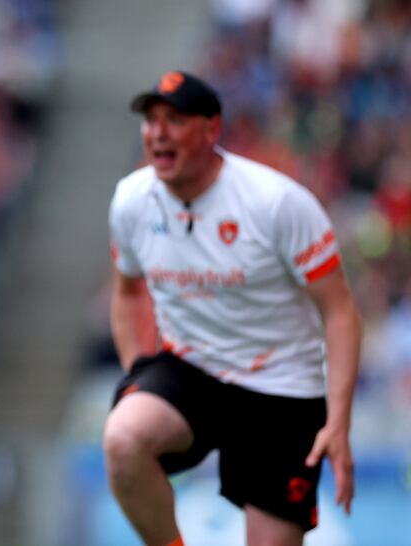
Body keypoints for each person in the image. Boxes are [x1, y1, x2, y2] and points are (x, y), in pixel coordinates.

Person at [104, 70, 362, 546]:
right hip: (190, 370)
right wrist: (137, 374)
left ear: (212, 129)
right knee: (123, 437)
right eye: (151, 119)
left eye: (175, 119)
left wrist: (338, 422)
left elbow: (341, 312)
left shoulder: (277, 203)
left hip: (281, 387)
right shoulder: (132, 200)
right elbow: (127, 291)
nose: (157, 132)